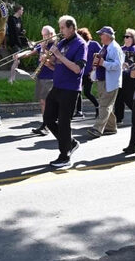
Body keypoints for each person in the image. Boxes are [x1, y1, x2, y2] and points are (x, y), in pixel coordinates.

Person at [44, 15, 87, 167]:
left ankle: (65, 156)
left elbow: (76, 69)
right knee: (48, 119)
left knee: (63, 122)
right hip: (57, 86)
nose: (60, 31)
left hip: (70, 89)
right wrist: (48, 62)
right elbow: (59, 65)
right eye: (60, 27)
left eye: (62, 28)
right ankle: (70, 142)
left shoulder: (81, 44)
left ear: (72, 28)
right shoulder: (62, 42)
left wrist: (59, 55)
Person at [18, 25, 57, 135]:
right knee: (42, 102)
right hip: (41, 76)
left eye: (45, 35)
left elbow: (50, 59)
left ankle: (46, 125)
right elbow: (31, 53)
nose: (43, 37)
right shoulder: (43, 44)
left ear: (51, 34)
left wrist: (44, 48)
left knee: (46, 102)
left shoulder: (55, 45)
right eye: (42, 35)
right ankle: (46, 123)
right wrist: (19, 55)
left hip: (50, 77)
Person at [87, 26, 124, 139]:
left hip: (110, 81)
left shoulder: (115, 48)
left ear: (107, 36)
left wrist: (103, 63)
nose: (100, 36)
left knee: (104, 105)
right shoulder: (105, 46)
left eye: (101, 34)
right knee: (107, 104)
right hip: (103, 80)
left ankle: (97, 129)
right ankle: (111, 127)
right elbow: (102, 60)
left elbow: (118, 66)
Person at [113, 28, 135, 125]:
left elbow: (134, 61)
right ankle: (118, 119)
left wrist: (126, 64)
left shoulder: (134, 48)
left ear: (133, 38)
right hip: (121, 76)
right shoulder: (122, 48)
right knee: (118, 98)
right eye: (124, 36)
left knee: (128, 98)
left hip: (130, 77)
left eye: (128, 36)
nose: (125, 38)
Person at [74, 28, 101, 119]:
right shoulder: (79, 45)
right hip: (80, 72)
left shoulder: (94, 44)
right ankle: (79, 111)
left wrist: (95, 68)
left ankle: (98, 107)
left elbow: (101, 55)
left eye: (80, 36)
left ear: (85, 36)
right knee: (77, 92)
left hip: (89, 73)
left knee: (87, 93)